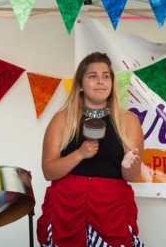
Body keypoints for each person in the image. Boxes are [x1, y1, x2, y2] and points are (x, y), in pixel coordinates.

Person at [38, 52, 145, 247]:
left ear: (112, 83)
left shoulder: (128, 121)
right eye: (92, 76)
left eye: (106, 76)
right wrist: (79, 154)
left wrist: (128, 165)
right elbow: (48, 171)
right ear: (80, 84)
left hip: (111, 211)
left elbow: (132, 176)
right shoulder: (62, 119)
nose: (100, 81)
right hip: (67, 209)